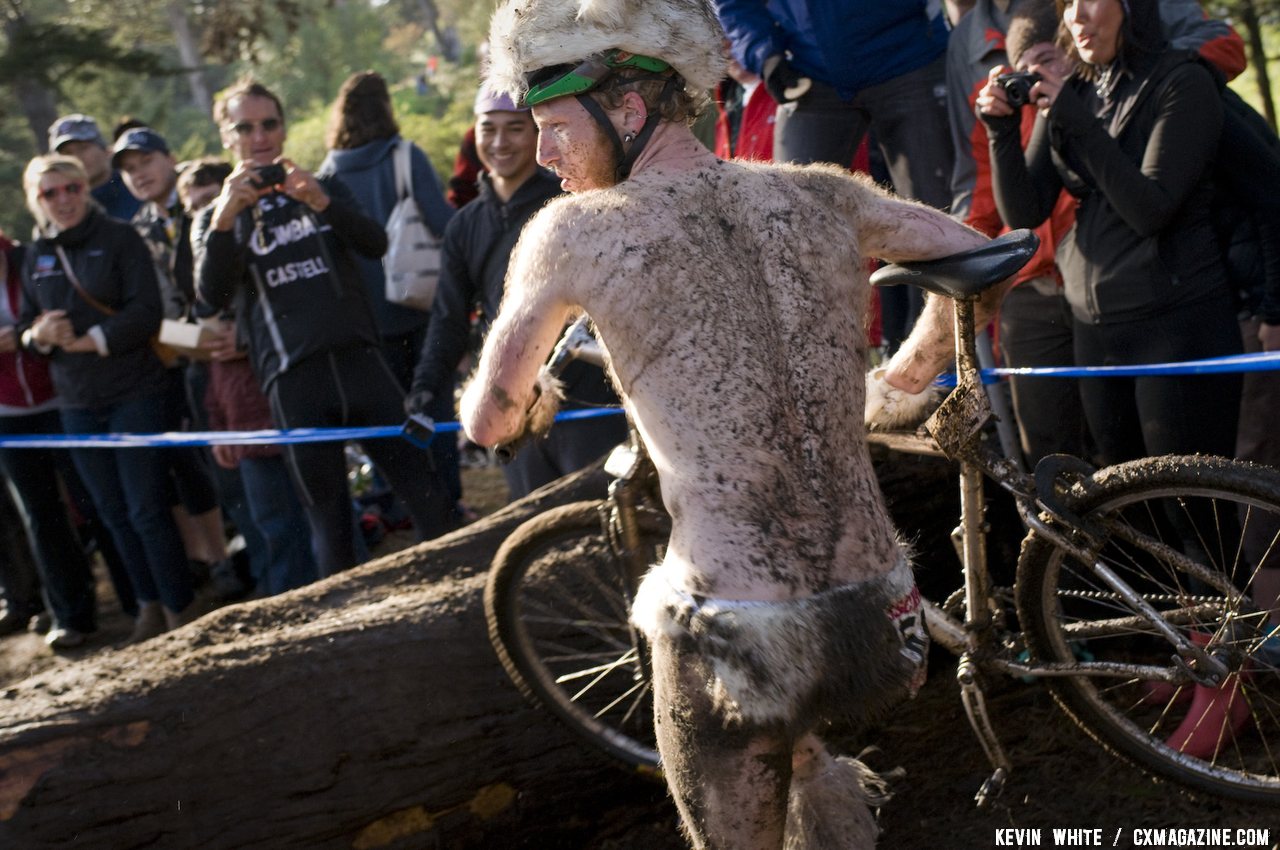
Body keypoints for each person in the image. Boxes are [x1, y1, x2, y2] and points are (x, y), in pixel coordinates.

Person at [461, 1, 1005, 846]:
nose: (543, 155)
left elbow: (492, 420)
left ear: (629, 109)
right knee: (795, 738)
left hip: (742, 636)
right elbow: (978, 255)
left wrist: (524, 406)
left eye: (554, 126)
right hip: (885, 616)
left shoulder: (570, 232)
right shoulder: (818, 192)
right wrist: (903, 377)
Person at [193, 78, 455, 577]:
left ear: (283, 127)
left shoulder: (320, 186)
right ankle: (346, 636)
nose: (260, 136)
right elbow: (211, 297)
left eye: (269, 123)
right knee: (330, 523)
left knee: (427, 495)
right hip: (293, 381)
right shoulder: (213, 216)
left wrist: (322, 204)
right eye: (244, 127)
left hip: (362, 362)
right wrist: (226, 220)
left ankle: (465, 595)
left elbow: (375, 245)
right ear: (227, 136)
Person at [979, 0, 1242, 468]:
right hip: (1096, 333)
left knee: (1194, 517)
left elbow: (1150, 209)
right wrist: (1000, 133)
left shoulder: (1183, 81)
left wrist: (1074, 120)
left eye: (1090, 0)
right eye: (1067, 4)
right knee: (1127, 512)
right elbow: (1026, 212)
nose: (1075, 17)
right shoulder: (1077, 89)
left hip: (1176, 327)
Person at [408, 88, 625, 501]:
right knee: (536, 528)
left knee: (606, 520)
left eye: (515, 129)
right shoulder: (465, 225)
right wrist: (424, 391)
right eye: (488, 130)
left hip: (588, 399)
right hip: (517, 403)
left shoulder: (568, 203)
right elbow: (449, 320)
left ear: (538, 134)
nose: (500, 143)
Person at [17, 154, 198, 642]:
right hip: (76, 401)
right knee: (112, 513)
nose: (62, 200)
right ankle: (148, 606)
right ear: (36, 201)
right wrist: (40, 334)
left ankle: (181, 608)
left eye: (69, 188)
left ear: (85, 189)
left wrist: (93, 338)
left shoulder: (119, 237)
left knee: (146, 509)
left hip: (134, 390)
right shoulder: (37, 253)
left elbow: (147, 312)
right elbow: (25, 328)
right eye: (48, 193)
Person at [317, 71, 462, 513]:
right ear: (386, 107)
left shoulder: (324, 174)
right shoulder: (406, 156)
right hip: (419, 307)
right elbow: (443, 224)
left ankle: (406, 506)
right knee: (433, 405)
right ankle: (450, 503)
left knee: (387, 417)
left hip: (364, 319)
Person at [179, 159, 319, 596]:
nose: (206, 210)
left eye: (212, 200)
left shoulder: (250, 238)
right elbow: (163, 331)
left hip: (279, 393)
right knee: (263, 518)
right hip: (226, 403)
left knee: (316, 510)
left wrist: (245, 337)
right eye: (195, 206)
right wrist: (202, 339)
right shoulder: (185, 250)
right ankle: (275, 589)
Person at [113, 127, 239, 595]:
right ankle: (216, 560)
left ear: (168, 158)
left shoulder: (209, 198)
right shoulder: (135, 233)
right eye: (127, 170)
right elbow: (152, 317)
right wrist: (196, 341)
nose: (139, 175)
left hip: (239, 346)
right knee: (196, 469)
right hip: (178, 359)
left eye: (145, 162)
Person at [0, 230, 97, 648]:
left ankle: (139, 603)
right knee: (41, 515)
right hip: (8, 415)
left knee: (94, 499)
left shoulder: (30, 257)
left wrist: (24, 333)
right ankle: (71, 615)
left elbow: (63, 308)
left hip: (63, 397)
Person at [47, 114, 142, 222]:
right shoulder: (62, 213)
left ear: (106, 150)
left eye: (83, 148)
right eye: (67, 153)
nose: (76, 158)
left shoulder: (140, 186)